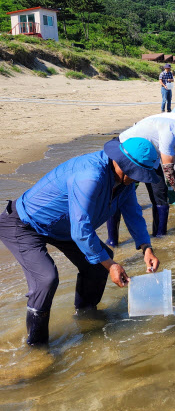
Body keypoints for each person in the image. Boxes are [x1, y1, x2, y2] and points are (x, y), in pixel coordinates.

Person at [0, 137, 161, 346]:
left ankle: (86, 319)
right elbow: (81, 229)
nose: (140, 180)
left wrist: (146, 248)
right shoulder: (90, 177)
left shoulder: (126, 183)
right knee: (46, 279)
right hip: (24, 224)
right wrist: (111, 266)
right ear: (124, 165)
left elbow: (133, 212)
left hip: (63, 228)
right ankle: (36, 348)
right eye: (139, 175)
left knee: (97, 265)